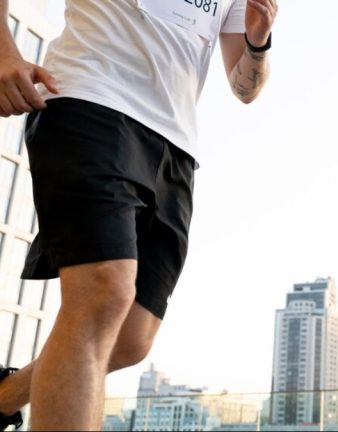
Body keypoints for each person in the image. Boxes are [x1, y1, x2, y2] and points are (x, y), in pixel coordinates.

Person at [0, 0, 277, 429]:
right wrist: (4, 50)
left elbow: (245, 88)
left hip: (175, 145)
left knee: (131, 339)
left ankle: (3, 398)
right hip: (91, 96)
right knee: (104, 292)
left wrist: (258, 41)